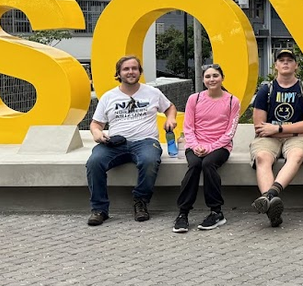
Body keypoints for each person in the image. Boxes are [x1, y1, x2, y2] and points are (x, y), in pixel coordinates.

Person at [86, 55, 177, 227]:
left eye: (134, 68)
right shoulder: (109, 96)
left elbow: (170, 107)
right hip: (115, 143)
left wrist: (170, 118)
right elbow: (96, 123)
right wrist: (97, 133)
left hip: (146, 141)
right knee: (94, 162)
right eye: (126, 69)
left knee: (149, 160)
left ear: (140, 71)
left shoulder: (153, 92)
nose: (131, 72)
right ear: (119, 73)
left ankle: (140, 202)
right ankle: (99, 209)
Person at [249, 48, 303, 228]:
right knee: (262, 157)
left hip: (294, 138)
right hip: (274, 137)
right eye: (281, 60)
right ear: (276, 66)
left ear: (296, 65)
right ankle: (271, 205)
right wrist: (294, 130)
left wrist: (277, 128)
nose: (285, 62)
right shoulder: (266, 90)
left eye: (289, 60)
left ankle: (269, 195)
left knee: (296, 155)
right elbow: (259, 126)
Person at [173, 63, 239, 234]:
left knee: (208, 164)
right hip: (195, 146)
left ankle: (216, 212)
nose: (212, 79)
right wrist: (195, 146)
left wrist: (210, 147)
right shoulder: (194, 99)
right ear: (203, 80)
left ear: (222, 78)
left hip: (220, 147)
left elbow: (229, 132)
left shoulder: (233, 101)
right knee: (195, 165)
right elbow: (188, 127)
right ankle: (183, 213)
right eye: (208, 76)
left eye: (215, 76)